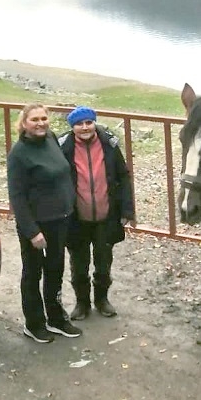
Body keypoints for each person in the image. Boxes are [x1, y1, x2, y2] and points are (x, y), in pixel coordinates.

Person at [7, 103, 83, 343]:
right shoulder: (19, 154)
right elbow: (17, 197)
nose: (40, 123)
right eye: (34, 120)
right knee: (33, 274)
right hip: (36, 226)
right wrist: (32, 232)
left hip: (60, 220)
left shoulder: (50, 139)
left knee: (55, 270)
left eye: (43, 118)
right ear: (24, 123)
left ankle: (56, 318)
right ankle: (34, 323)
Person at [59, 106, 136, 320]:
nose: (84, 127)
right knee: (79, 264)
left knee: (103, 262)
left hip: (106, 216)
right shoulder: (63, 147)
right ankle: (82, 303)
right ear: (72, 127)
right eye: (79, 124)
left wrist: (127, 209)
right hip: (76, 219)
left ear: (94, 123)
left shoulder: (109, 144)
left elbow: (123, 176)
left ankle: (102, 300)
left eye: (88, 122)